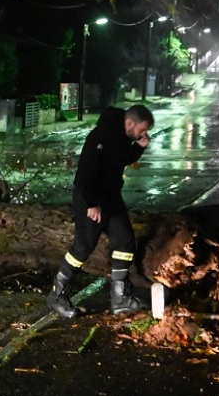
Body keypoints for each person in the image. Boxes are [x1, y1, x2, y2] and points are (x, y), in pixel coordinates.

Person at [47, 104, 154, 318]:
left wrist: (139, 147)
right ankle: (57, 295)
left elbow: (120, 159)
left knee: (124, 242)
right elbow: (85, 173)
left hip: (111, 198)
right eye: (142, 130)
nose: (144, 134)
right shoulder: (101, 136)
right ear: (130, 123)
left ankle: (120, 299)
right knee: (83, 248)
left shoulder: (123, 137)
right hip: (91, 199)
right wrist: (90, 203)